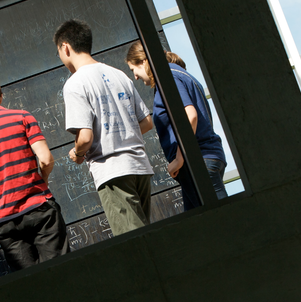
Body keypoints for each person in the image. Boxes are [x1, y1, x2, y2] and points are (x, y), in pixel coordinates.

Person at [0, 76, 69, 270]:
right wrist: (43, 179)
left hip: (4, 221)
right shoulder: (22, 117)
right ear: (1, 96)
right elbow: (45, 159)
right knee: (61, 272)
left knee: (31, 287)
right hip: (39, 209)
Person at [54, 19, 155, 236]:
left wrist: (77, 153)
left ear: (65, 47)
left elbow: (85, 138)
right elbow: (146, 121)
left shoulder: (75, 84)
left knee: (134, 244)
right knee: (146, 235)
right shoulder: (120, 75)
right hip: (140, 167)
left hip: (112, 171)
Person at [125, 41, 227, 211]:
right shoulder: (182, 74)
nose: (135, 77)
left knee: (224, 221)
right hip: (205, 158)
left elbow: (190, 116)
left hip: (197, 162)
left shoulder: (168, 76)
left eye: (133, 70)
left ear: (143, 61)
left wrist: (180, 158)